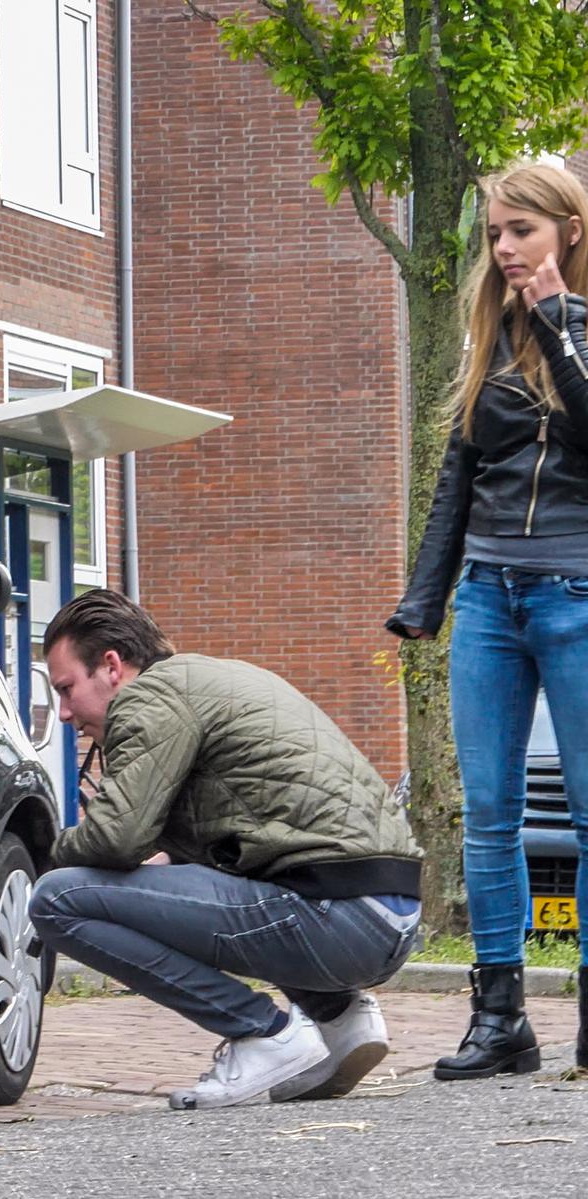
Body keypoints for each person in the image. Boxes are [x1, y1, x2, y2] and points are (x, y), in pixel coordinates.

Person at [27, 590, 423, 1111]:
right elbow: (232, 839)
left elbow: (116, 839)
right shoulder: (216, 679)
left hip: (338, 916)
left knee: (57, 898)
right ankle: (339, 1019)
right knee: (199, 886)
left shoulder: (150, 699)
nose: (62, 712)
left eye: (66, 689)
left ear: (112, 667)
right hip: (388, 916)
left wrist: (48, 851)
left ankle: (264, 1035)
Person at [389, 161, 588, 1080]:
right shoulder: (489, 338)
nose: (504, 250)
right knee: (488, 815)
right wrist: (425, 599)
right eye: (495, 234)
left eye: (521, 232)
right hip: (489, 596)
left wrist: (556, 323)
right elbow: (456, 480)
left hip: (578, 596)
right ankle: (500, 1016)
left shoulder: (558, 327)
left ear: (569, 232)